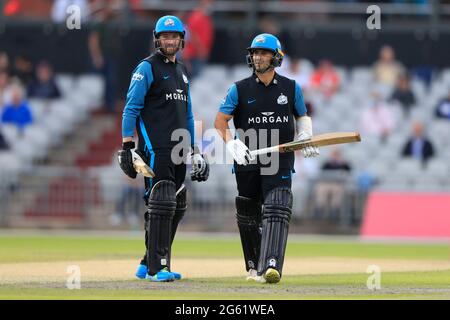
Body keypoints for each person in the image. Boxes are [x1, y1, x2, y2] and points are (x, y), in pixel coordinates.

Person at [214, 33, 319, 284]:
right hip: (247, 158)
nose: (258, 57)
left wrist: (305, 134)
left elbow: (302, 117)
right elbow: (220, 121)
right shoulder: (238, 89)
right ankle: (254, 266)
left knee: (277, 208)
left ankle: (271, 265)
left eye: (263, 52)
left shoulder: (291, 88)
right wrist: (232, 143)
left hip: (280, 159)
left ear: (276, 57)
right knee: (248, 215)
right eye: (255, 53)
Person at [118, 15, 209, 282]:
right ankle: (159, 267)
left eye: (174, 36)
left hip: (180, 148)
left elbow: (188, 114)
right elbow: (131, 108)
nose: (170, 41)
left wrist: (193, 149)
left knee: (177, 204)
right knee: (160, 202)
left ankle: (148, 262)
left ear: (182, 40)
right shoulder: (146, 68)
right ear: (157, 39)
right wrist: (127, 146)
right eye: (165, 36)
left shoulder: (182, 70)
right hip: (155, 148)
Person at [182, 0, 215, 79]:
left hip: (198, 55)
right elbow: (192, 35)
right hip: (193, 55)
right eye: (208, 4)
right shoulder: (196, 17)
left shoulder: (205, 17)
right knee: (191, 80)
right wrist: (201, 49)